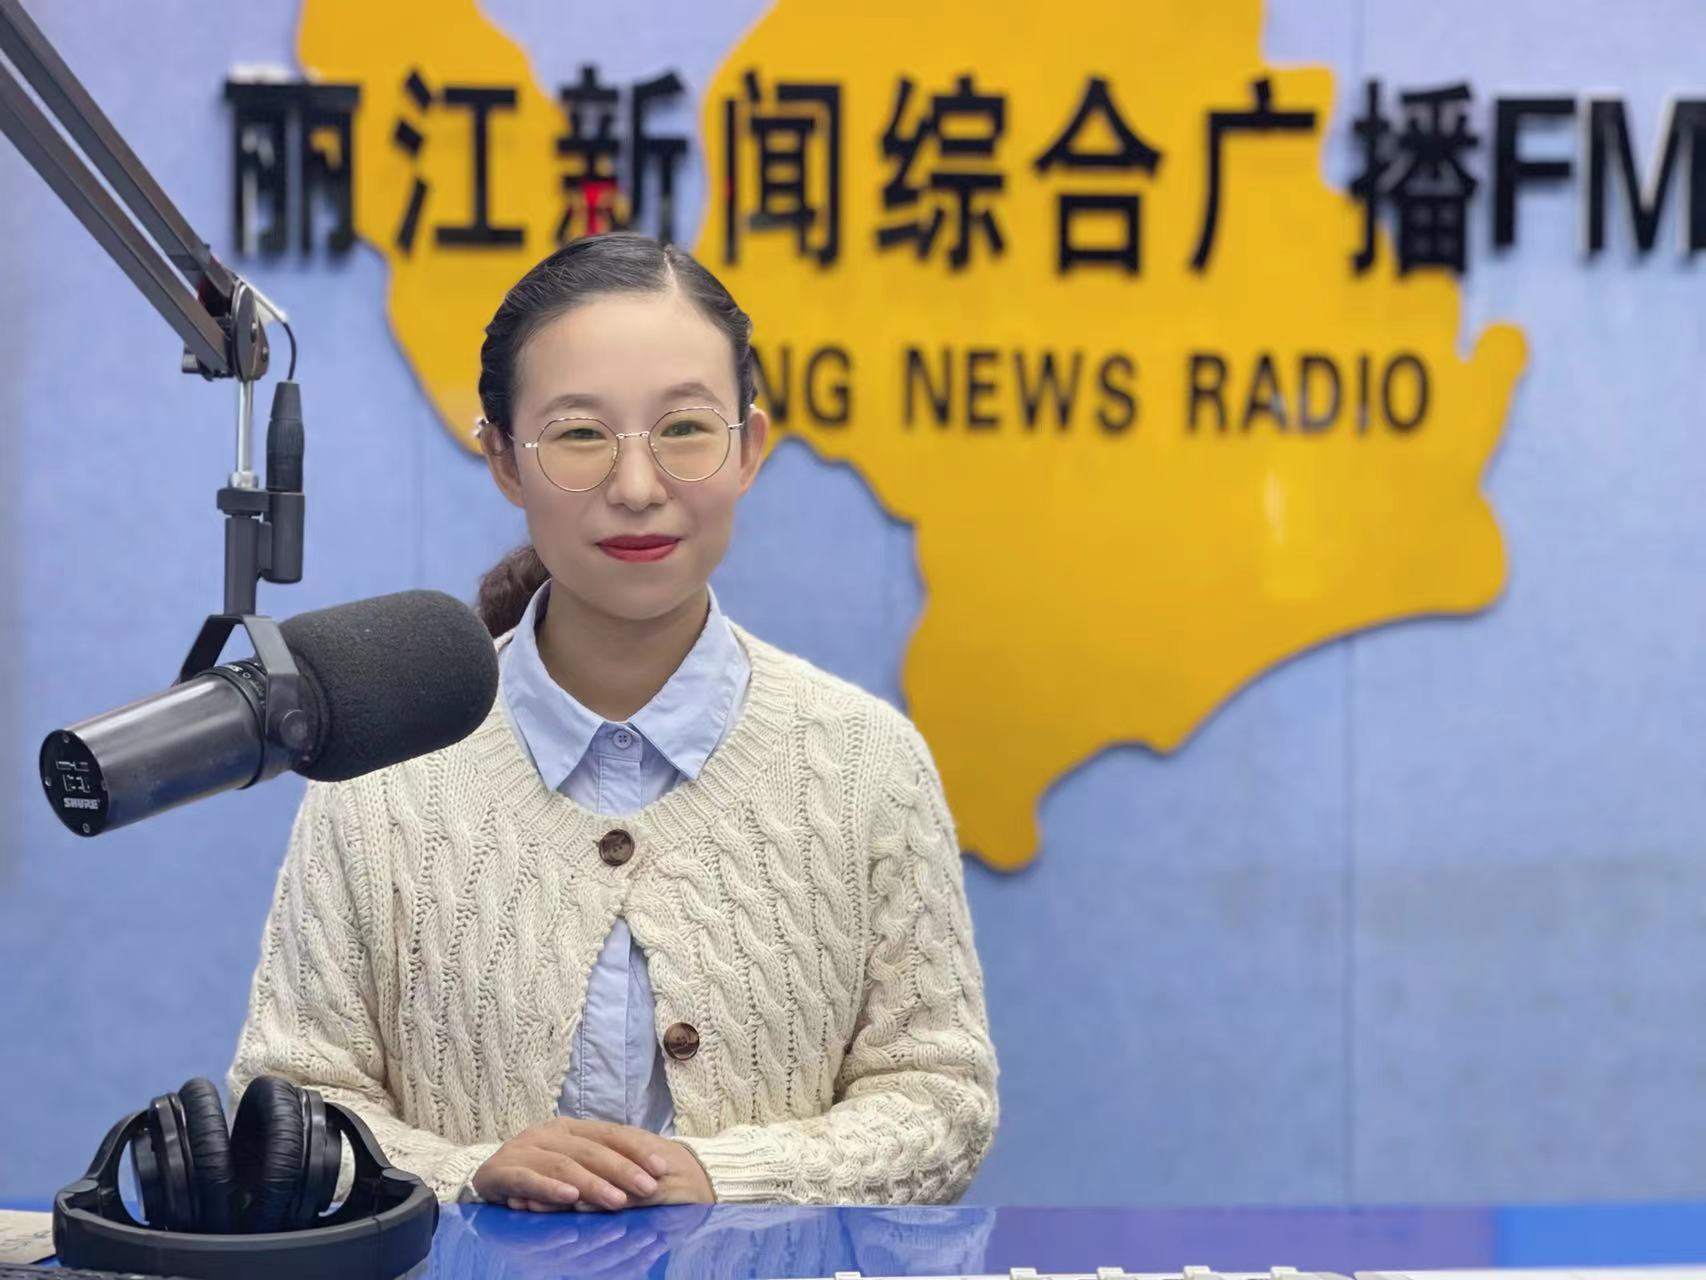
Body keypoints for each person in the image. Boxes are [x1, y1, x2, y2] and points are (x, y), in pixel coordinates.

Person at [227, 231, 998, 1211]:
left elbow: (939, 1101)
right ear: (502, 458)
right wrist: (470, 1174)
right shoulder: (385, 765)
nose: (637, 487)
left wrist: (726, 1175)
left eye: (685, 428)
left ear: (750, 447)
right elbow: (288, 1111)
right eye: (580, 435)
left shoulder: (863, 762)